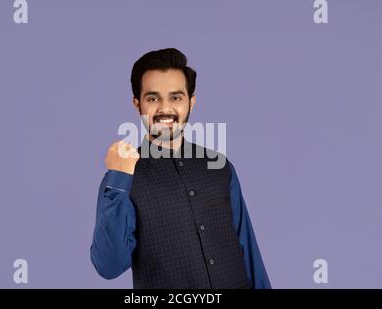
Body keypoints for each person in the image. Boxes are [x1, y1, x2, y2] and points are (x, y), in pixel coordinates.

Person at [90, 48, 271, 289]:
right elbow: (108, 266)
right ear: (137, 104)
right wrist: (119, 177)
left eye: (175, 97)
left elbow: (248, 253)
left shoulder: (219, 166)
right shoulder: (124, 179)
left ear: (191, 102)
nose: (165, 109)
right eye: (153, 98)